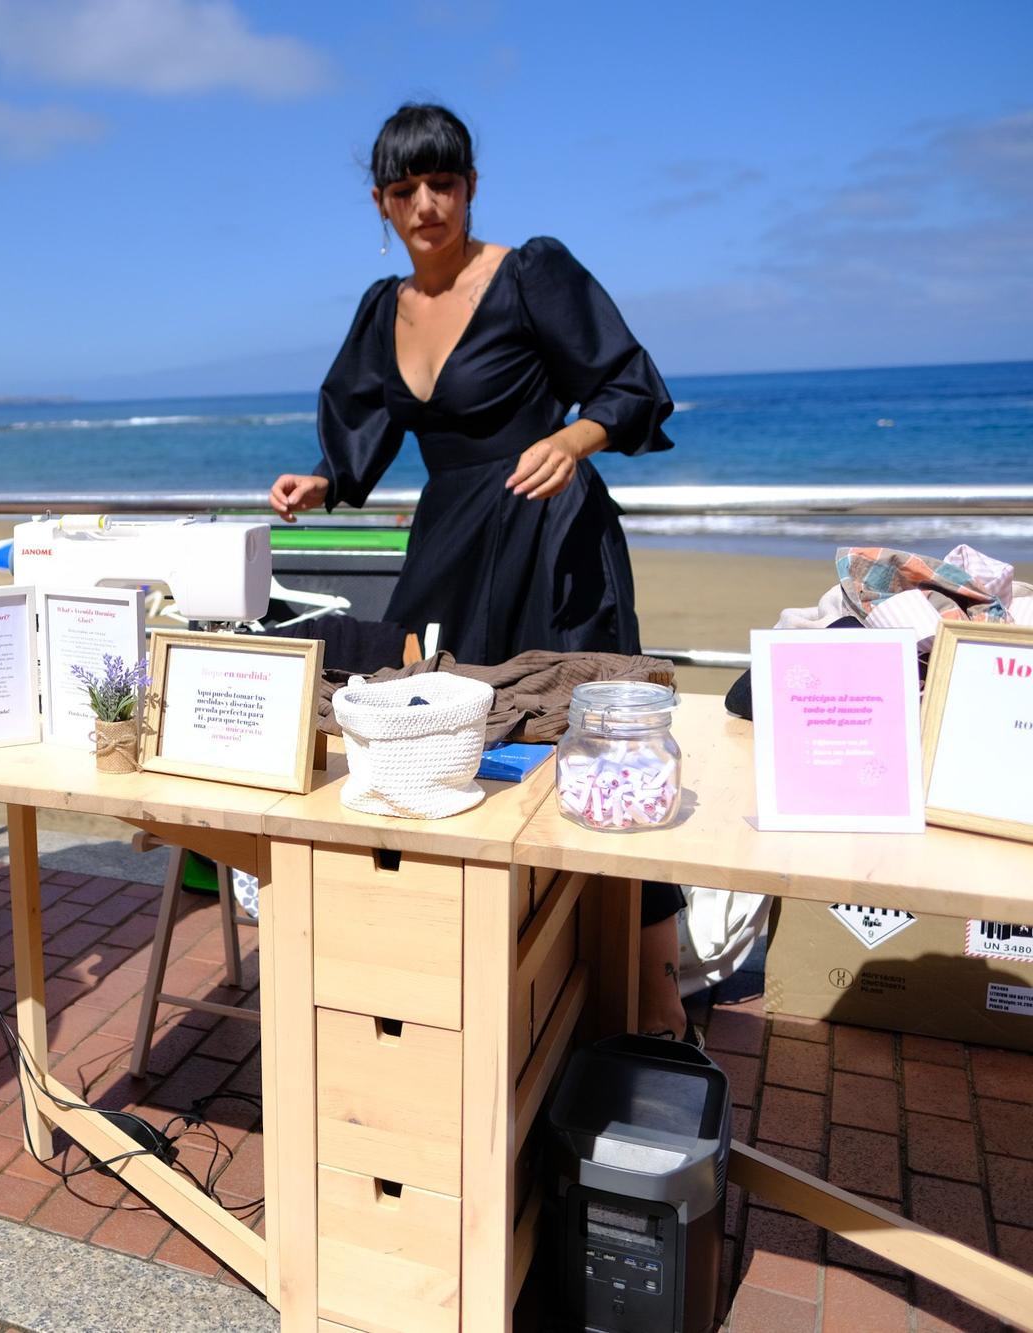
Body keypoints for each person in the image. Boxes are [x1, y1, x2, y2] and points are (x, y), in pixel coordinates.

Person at [268, 104, 691, 1040]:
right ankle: (487, 983)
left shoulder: (531, 270)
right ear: (380, 202)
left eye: (443, 182)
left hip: (552, 537)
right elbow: (365, 427)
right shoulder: (384, 309)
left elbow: (629, 382)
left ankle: (658, 1001)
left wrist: (572, 439)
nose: (427, 203)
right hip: (451, 543)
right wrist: (325, 478)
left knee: (588, 755)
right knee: (432, 751)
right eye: (405, 188)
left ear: (468, 186)